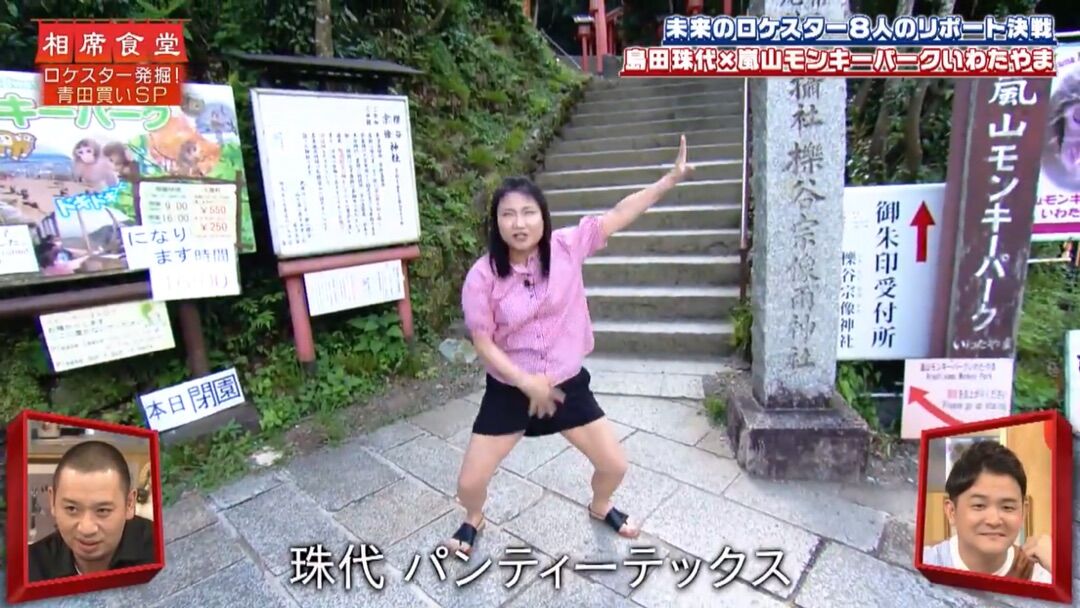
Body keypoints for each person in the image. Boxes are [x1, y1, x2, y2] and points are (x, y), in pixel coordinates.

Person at [448, 135, 695, 553]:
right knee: (469, 484)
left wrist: (668, 180)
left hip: (566, 384)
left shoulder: (566, 246)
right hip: (510, 390)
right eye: (508, 214)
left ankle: (601, 505)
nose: (519, 223)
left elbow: (619, 213)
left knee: (614, 466)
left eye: (528, 212)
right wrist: (525, 381)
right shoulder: (483, 275)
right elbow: (483, 342)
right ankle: (473, 517)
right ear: (497, 223)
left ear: (543, 218)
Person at [922, 440, 1053, 583]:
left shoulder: (1040, 575)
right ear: (951, 511)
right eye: (979, 505)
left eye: (1007, 507)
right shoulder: (924, 565)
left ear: (1023, 512)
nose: (994, 520)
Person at [28, 440, 157, 582]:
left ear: (129, 504)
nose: (86, 529)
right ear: (52, 501)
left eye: (102, 510)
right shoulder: (31, 567)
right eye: (72, 509)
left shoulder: (160, 550)